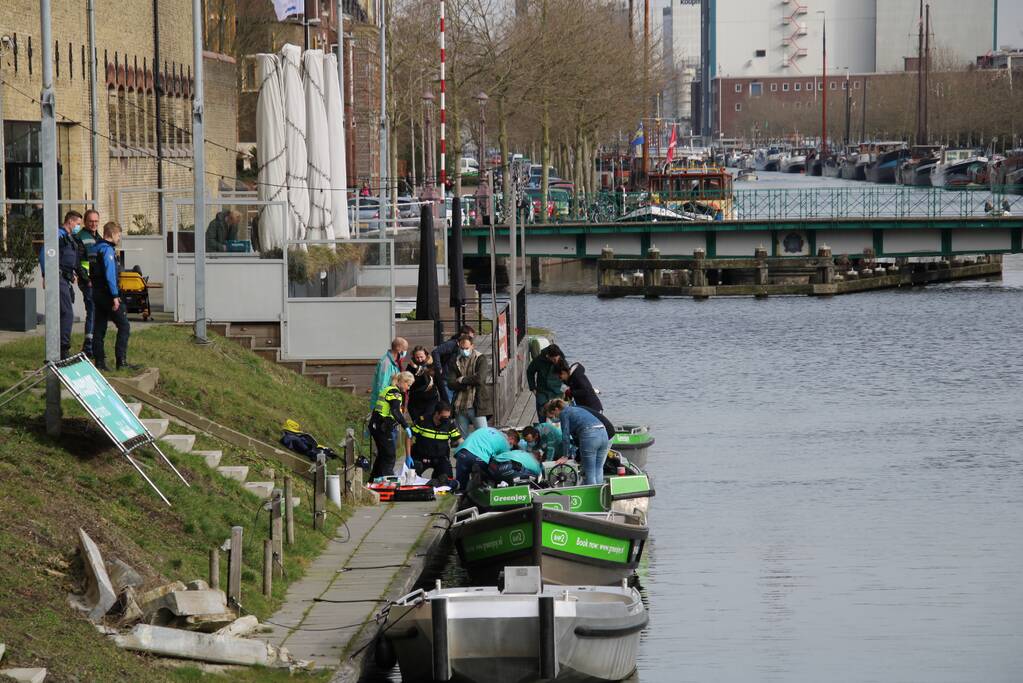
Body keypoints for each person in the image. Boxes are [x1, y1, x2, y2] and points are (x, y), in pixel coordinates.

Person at [92, 221, 140, 371]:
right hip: (107, 294)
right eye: (118, 235)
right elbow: (110, 275)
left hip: (96, 293)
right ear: (111, 234)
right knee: (124, 325)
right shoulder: (107, 250)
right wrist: (114, 296)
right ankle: (121, 362)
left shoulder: (95, 248)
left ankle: (99, 362)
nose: (119, 238)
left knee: (99, 328)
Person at [39, 210, 84, 359]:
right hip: (56, 278)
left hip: (64, 279)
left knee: (61, 314)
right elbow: (45, 253)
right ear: (70, 221)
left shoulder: (69, 237)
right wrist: (46, 275)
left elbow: (66, 259)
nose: (78, 226)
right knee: (67, 314)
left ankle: (57, 348)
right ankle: (63, 349)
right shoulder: (58, 235)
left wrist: (71, 275)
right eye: (77, 224)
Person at [545, 398, 610, 485]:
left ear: (556, 409)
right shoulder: (576, 408)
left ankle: (593, 495)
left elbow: (565, 436)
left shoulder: (564, 413)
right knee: (598, 468)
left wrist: (565, 456)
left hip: (590, 435)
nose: (554, 418)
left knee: (589, 471)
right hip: (603, 433)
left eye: (553, 416)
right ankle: (600, 494)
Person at [368, 371, 414, 479]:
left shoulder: (388, 389)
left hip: (376, 425)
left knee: (382, 455)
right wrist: (406, 426)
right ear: (402, 382)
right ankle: (387, 480)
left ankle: (373, 480)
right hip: (382, 427)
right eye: (408, 385)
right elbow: (395, 411)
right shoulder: (395, 393)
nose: (408, 388)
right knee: (389, 456)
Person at [447, 334, 492, 436]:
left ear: (472, 346)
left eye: (466, 348)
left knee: (483, 434)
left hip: (476, 404)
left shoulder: (480, 358)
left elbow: (480, 379)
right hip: (459, 405)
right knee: (462, 437)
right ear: (459, 346)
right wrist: (468, 383)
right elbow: (450, 383)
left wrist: (462, 380)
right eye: (462, 348)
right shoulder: (455, 360)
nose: (464, 350)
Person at [453, 427, 519, 491]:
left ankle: (453, 488)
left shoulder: (489, 429)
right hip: (479, 457)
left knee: (461, 484)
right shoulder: (505, 443)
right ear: (511, 438)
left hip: (462, 452)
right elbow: (504, 460)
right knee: (494, 474)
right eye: (512, 444)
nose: (511, 446)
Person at [410, 403, 462, 485]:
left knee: (447, 481)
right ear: (436, 413)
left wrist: (465, 452)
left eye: (448, 417)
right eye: (444, 417)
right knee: (410, 480)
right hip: (420, 456)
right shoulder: (423, 420)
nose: (446, 419)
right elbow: (408, 436)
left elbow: (460, 440)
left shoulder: (450, 424)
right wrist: (408, 456)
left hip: (440, 458)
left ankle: (436, 479)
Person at [75, 209, 101, 358]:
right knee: (92, 310)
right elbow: (77, 262)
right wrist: (86, 280)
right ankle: (88, 346)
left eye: (96, 221)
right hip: (88, 282)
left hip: (97, 282)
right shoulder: (80, 237)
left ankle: (90, 344)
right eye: (91, 221)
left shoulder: (98, 236)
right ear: (85, 222)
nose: (94, 224)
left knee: (96, 311)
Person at [430, 325, 476, 403]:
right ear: (462, 335)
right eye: (470, 336)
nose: (471, 339)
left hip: (456, 379)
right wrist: (439, 367)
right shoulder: (452, 344)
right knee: (448, 402)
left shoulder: (465, 345)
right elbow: (436, 351)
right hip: (447, 378)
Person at [526, 343, 565, 422]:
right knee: (542, 415)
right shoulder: (539, 360)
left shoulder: (561, 360)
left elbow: (566, 374)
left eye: (557, 359)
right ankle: (542, 430)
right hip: (542, 391)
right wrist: (532, 388)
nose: (556, 361)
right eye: (554, 359)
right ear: (548, 356)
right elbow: (530, 371)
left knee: (558, 417)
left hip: (556, 391)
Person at [370, 337, 408, 411]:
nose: (405, 352)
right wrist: (385, 406)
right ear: (399, 349)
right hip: (384, 406)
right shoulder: (386, 363)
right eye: (405, 349)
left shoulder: (394, 362)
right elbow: (382, 387)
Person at [406, 345, 441, 423]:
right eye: (417, 357)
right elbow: (407, 383)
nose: (419, 359)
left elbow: (437, 383)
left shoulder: (432, 366)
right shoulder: (410, 367)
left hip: (430, 399)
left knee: (427, 421)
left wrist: (417, 368)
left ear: (426, 355)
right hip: (415, 401)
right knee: (417, 423)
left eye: (421, 357)